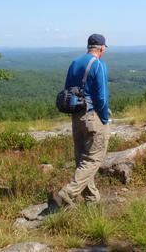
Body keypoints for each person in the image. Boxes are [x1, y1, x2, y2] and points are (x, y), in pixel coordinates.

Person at [50, 33, 110, 207]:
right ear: (101, 48)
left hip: (76, 117)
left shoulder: (75, 63)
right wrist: (104, 119)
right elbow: (102, 97)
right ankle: (67, 192)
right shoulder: (98, 64)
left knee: (82, 159)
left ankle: (92, 199)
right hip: (92, 117)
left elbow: (67, 90)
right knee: (93, 159)